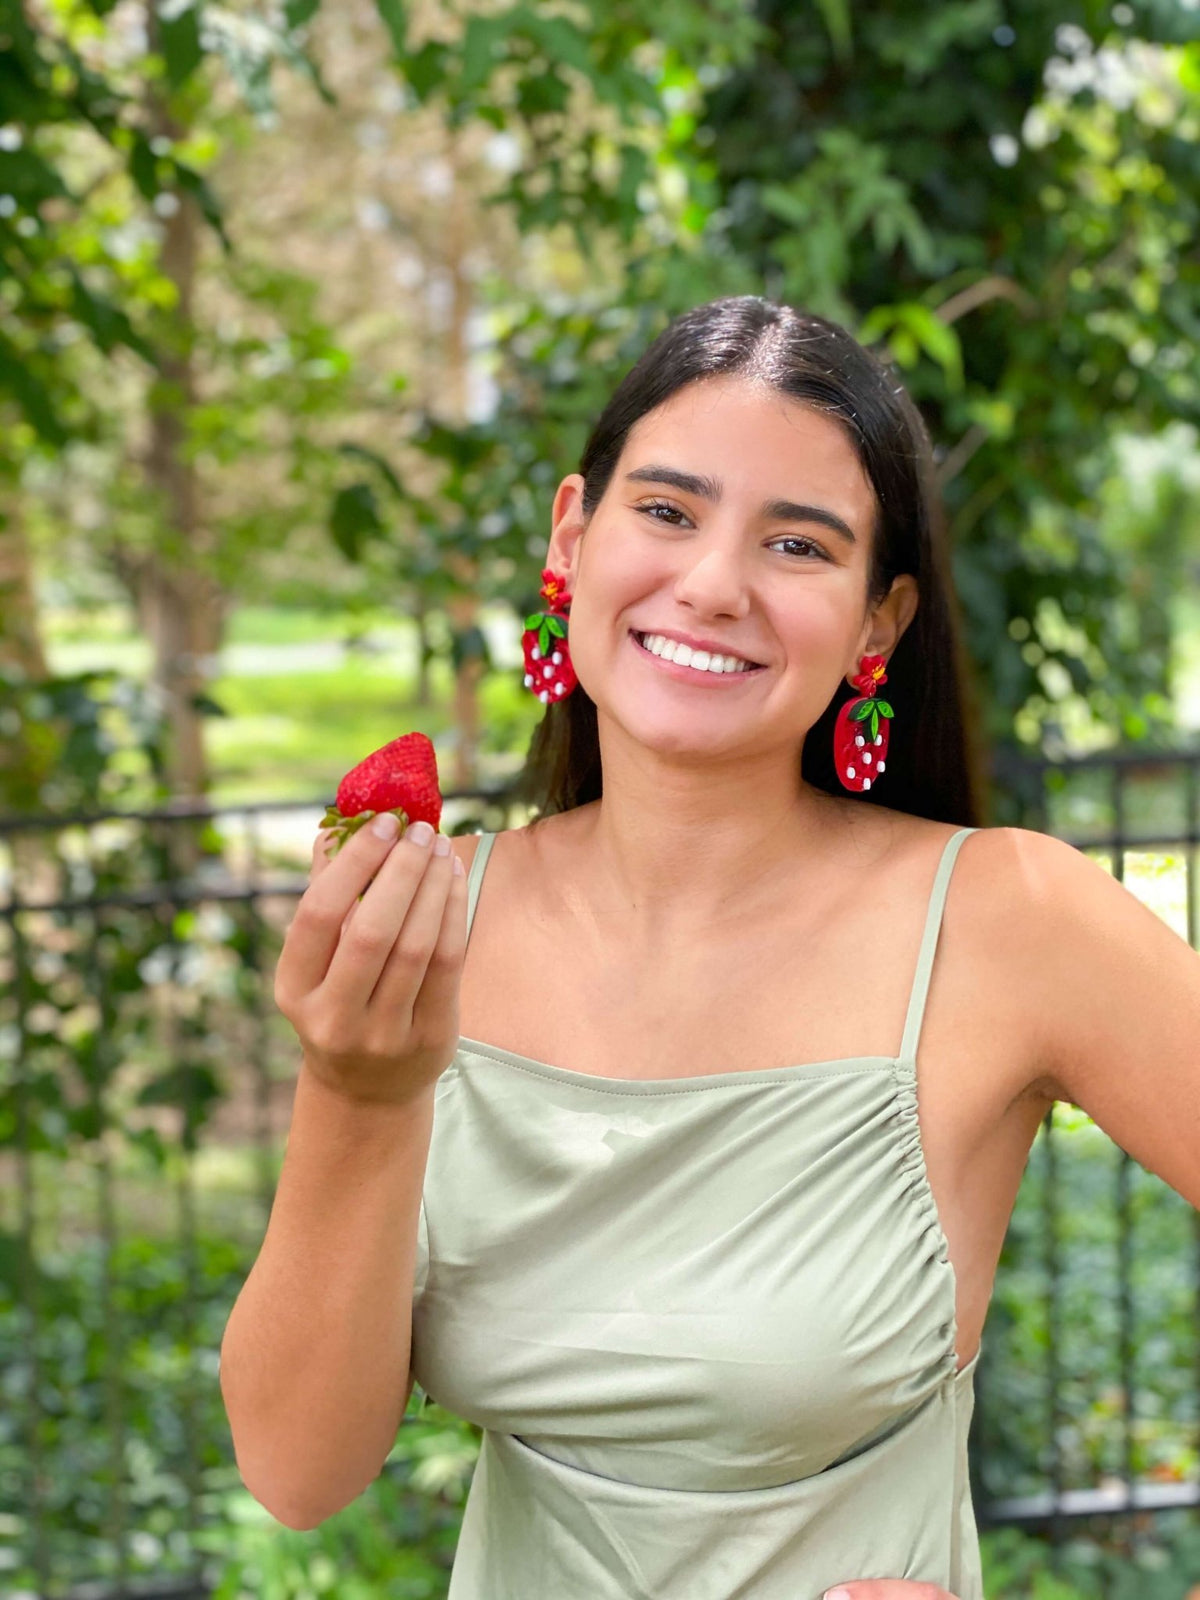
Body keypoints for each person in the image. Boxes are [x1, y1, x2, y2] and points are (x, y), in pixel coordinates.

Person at [220, 297, 1200, 1600]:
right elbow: (299, 1471)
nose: (714, 584)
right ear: (575, 532)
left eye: (798, 543)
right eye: (668, 512)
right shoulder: (431, 919)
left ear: (877, 623)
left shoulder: (1009, 921)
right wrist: (359, 1089)